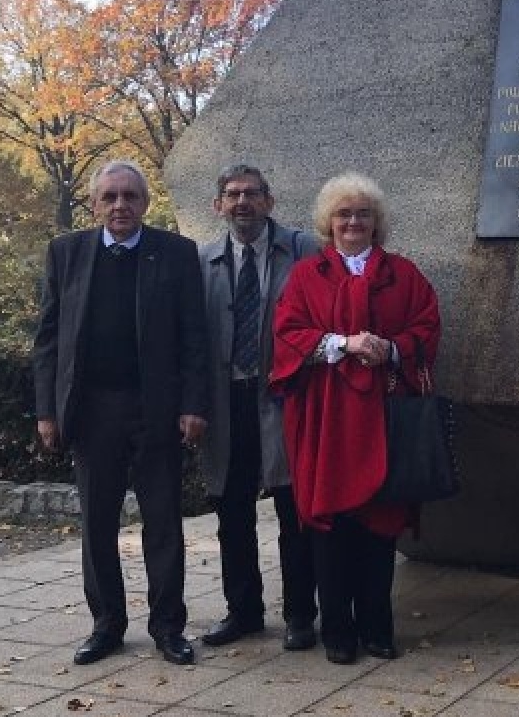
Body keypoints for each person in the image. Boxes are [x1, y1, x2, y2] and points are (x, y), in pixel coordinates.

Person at [32, 160, 210, 667]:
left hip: (156, 409)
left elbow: (194, 337)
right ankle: (107, 624)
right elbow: (47, 337)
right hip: (91, 412)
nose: (120, 205)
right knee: (98, 523)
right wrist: (47, 410)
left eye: (130, 196)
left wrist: (194, 404)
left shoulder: (175, 254)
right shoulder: (66, 254)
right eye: (109, 197)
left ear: (145, 203)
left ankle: (168, 627)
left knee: (163, 522)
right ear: (94, 204)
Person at [270, 173, 441, 666]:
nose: (352, 222)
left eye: (362, 213)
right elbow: (287, 335)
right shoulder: (306, 277)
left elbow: (426, 327)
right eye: (343, 214)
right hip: (327, 420)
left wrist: (390, 349)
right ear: (329, 222)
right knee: (332, 526)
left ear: (376, 221)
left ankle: (377, 627)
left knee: (379, 525)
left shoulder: (403, 275)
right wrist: (342, 344)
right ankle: (337, 631)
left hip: (384, 418)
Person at [198, 164, 322, 651]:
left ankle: (299, 615)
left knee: (295, 510)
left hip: (286, 397)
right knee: (232, 513)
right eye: (232, 195)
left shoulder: (304, 250)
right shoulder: (203, 261)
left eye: (251, 194)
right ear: (219, 206)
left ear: (270, 201)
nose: (241, 202)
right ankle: (243, 611)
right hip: (227, 400)